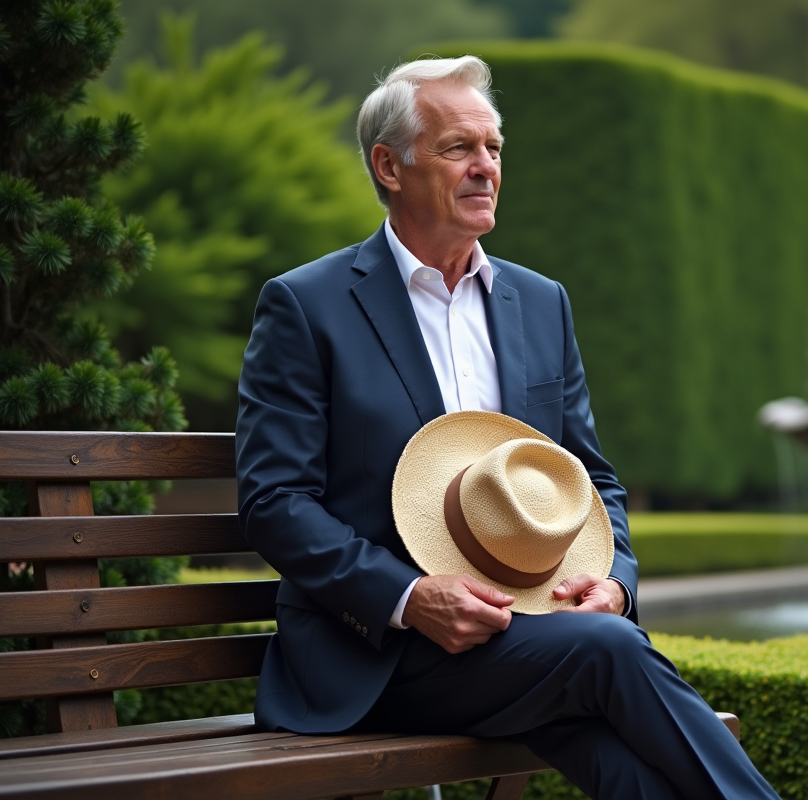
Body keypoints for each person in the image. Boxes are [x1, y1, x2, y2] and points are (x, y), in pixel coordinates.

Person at [236, 55, 780, 800]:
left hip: (530, 637)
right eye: (460, 147)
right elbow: (275, 502)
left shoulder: (540, 301)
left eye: (494, 149)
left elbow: (593, 478)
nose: (485, 167)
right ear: (389, 166)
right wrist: (409, 597)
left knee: (620, 750)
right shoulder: (306, 305)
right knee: (605, 655)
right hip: (375, 658)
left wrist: (617, 581)